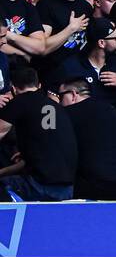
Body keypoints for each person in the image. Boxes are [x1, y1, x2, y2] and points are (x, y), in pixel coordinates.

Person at [0, 63, 76, 201]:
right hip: (67, 188)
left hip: (40, 186)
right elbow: (47, 147)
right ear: (39, 85)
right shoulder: (55, 106)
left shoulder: (18, 102)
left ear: (13, 88)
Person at [57, 76, 116, 200]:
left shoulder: (68, 114)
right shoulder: (109, 108)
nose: (60, 102)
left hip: (98, 184)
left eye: (61, 96)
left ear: (73, 94)